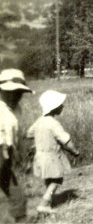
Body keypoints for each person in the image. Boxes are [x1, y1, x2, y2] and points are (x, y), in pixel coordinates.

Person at [26, 90, 79, 214]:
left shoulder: (39, 121)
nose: (62, 106)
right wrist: (75, 151)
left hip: (40, 156)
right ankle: (44, 204)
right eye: (60, 105)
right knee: (57, 180)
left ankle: (49, 199)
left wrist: (40, 140)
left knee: (49, 179)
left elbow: (29, 133)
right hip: (51, 157)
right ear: (54, 108)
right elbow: (66, 141)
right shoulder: (54, 124)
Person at [0, 69, 33, 223]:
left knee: (12, 185)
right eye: (10, 92)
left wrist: (17, 151)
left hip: (7, 153)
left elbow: (16, 133)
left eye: (18, 93)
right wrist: (4, 148)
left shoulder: (16, 110)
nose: (14, 96)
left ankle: (21, 216)